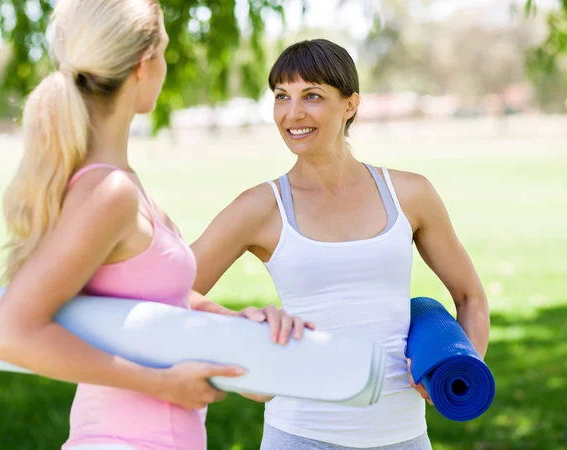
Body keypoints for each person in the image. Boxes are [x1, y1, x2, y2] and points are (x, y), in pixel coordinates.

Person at [0, 1, 309, 449]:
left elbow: (152, 299)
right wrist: (162, 384)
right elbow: (10, 333)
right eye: (164, 53)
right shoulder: (109, 193)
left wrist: (236, 325)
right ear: (143, 66)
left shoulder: (120, 186)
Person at [191, 39, 490, 450]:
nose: (292, 113)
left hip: (404, 437)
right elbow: (172, 294)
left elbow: (470, 297)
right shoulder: (261, 207)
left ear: (351, 105)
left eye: (311, 96)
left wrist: (461, 371)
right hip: (299, 435)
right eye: (282, 96)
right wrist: (244, 353)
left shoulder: (410, 193)